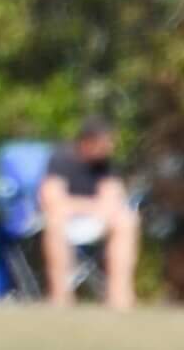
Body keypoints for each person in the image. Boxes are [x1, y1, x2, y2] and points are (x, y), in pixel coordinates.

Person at [38, 116, 138, 310]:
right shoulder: (61, 159)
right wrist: (91, 206)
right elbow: (53, 200)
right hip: (65, 222)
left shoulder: (106, 165)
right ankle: (61, 296)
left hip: (96, 221)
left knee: (126, 220)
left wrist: (82, 206)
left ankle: (120, 297)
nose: (110, 147)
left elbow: (113, 199)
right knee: (54, 221)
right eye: (106, 142)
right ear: (88, 141)